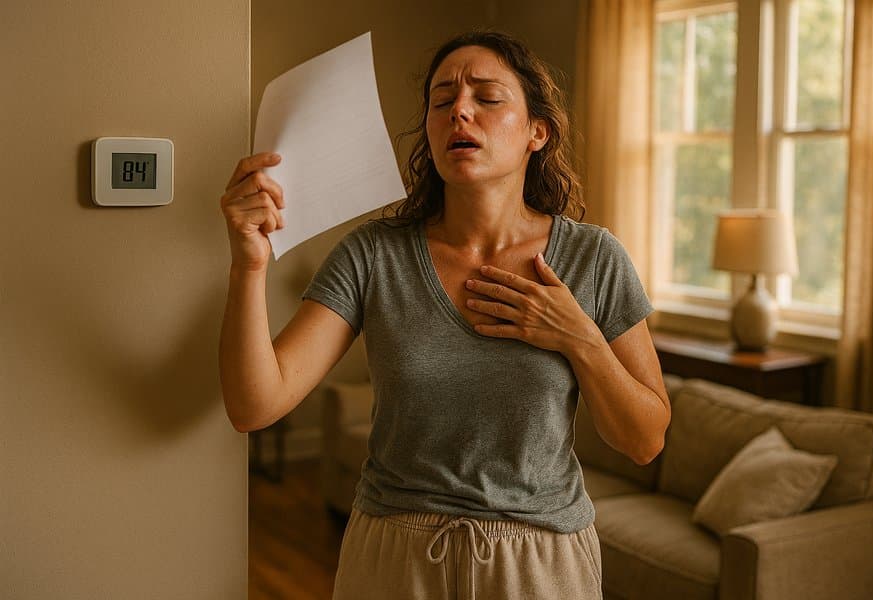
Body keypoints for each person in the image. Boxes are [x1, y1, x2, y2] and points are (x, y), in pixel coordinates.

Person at [219, 30, 670, 600]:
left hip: (539, 565)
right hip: (392, 558)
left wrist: (578, 336)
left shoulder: (594, 258)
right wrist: (248, 266)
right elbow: (254, 405)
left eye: (487, 97)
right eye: (442, 101)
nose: (460, 110)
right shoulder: (373, 255)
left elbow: (645, 440)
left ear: (538, 131)